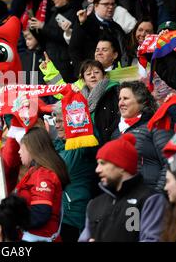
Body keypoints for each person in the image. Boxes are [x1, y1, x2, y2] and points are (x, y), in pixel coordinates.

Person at [79, 133, 167, 242]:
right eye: (97, 164)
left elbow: (152, 239)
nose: (97, 169)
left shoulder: (150, 200)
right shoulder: (94, 204)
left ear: (121, 166)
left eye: (103, 163)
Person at [112, 81, 172, 191]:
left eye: (125, 98)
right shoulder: (115, 133)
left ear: (141, 102)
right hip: (128, 199)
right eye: (120, 99)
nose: (121, 103)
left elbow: (171, 161)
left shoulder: (155, 124)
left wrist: (157, 194)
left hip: (152, 195)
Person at [51, 102, 98, 242]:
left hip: (75, 215)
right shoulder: (58, 147)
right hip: (58, 215)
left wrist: (78, 113)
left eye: (60, 121)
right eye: (55, 121)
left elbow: (90, 135)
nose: (57, 125)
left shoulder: (82, 145)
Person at [16, 126, 70, 242]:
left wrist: (11, 219)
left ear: (31, 149)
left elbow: (40, 213)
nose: (19, 151)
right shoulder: (36, 171)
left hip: (39, 238)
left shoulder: (43, 174)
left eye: (21, 147)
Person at [69, 0, 128, 78]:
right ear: (95, 5)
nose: (110, 7)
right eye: (106, 4)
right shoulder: (84, 22)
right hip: (89, 77)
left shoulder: (116, 27)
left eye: (112, 4)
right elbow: (74, 50)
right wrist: (82, 72)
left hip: (114, 75)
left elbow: (123, 52)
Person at [34, 0, 77, 83]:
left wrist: (43, 26)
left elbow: (65, 37)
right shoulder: (54, 13)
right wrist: (35, 29)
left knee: (61, 92)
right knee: (51, 93)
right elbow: (47, 37)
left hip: (63, 63)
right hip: (51, 60)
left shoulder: (73, 13)